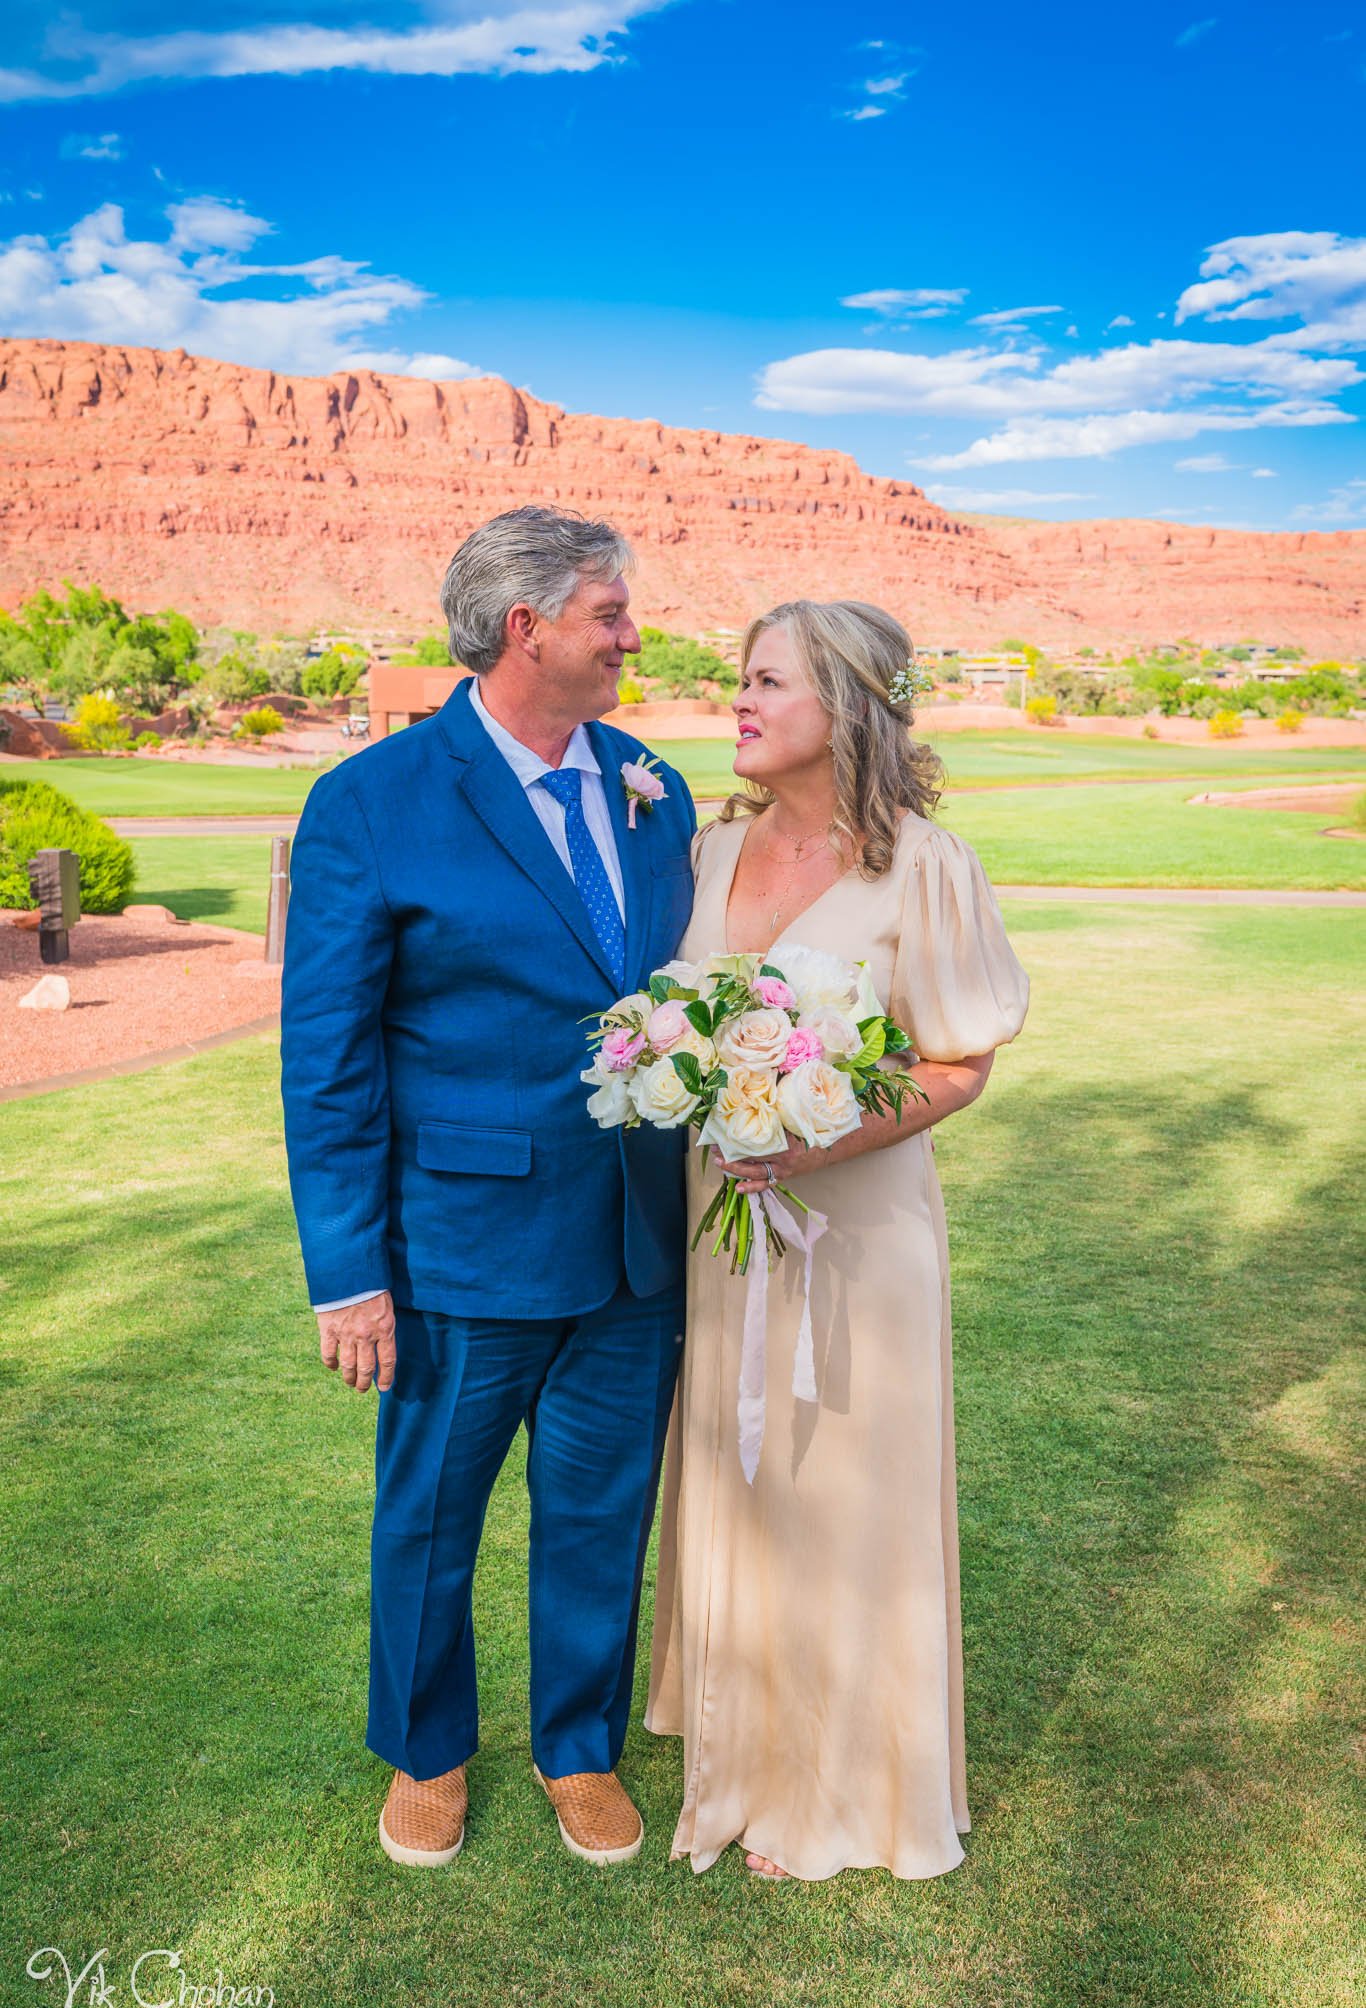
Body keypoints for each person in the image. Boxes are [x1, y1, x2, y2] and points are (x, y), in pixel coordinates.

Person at [280, 505, 697, 1870]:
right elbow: (328, 1059)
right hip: (458, 1248)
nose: (633, 635)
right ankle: (427, 1750)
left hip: (635, 1243)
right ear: (527, 628)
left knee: (598, 1512)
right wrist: (348, 1269)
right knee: (430, 1521)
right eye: (610, 614)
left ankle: (576, 1749)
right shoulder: (370, 803)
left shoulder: (651, 784)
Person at [645, 598, 1030, 1882]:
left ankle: (840, 1781)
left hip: (857, 1239)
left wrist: (811, 1139)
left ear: (847, 702)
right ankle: (738, 1741)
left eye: (764, 682)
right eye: (735, 678)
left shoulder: (924, 865)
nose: (736, 701)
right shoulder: (705, 855)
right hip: (727, 1233)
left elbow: (956, 1061)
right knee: (746, 1477)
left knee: (838, 1492)